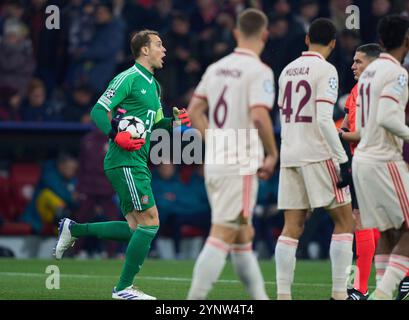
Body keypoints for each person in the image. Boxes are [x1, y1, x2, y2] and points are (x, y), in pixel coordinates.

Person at [53, 29, 191, 300]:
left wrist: (175, 122)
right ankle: (123, 288)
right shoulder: (127, 77)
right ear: (144, 50)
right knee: (151, 222)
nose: (164, 50)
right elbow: (97, 111)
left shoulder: (154, 85)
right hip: (124, 160)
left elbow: (155, 124)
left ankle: (73, 229)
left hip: (138, 161)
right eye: (159, 45)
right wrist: (117, 134)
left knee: (135, 228)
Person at [187, 8, 278, 300]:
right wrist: (272, 153)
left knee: (242, 237)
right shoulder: (260, 71)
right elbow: (260, 116)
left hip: (216, 161)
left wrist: (214, 139)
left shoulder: (216, 68)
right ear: (265, 35)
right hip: (240, 164)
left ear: (236, 33)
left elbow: (194, 112)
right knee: (223, 234)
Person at [275, 18, 354, 300]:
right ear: (333, 43)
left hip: (290, 153)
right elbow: (322, 118)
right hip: (318, 153)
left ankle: (283, 295)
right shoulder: (327, 70)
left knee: (291, 226)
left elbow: (284, 114)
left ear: (307, 39)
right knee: (345, 221)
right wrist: (342, 159)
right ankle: (338, 295)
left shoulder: (286, 71)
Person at [352, 15, 409, 300]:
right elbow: (387, 117)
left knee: (388, 232)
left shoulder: (370, 73)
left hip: (362, 159)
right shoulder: (397, 73)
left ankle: (380, 291)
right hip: (384, 159)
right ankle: (383, 294)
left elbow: (364, 126)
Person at [338, 43, 382, 300]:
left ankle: (360, 289)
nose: (353, 66)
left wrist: (338, 135)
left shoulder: (374, 90)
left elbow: (364, 132)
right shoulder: (356, 90)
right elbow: (345, 124)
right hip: (359, 160)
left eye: (359, 62)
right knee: (371, 222)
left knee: (361, 220)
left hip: (374, 160)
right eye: (353, 61)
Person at [21, 153, 78, 235]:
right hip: (39, 212)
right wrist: (71, 197)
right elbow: (62, 193)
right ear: (61, 166)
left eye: (75, 169)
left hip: (55, 216)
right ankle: (64, 213)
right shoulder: (49, 174)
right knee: (46, 194)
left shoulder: (71, 179)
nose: (73, 172)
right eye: (71, 168)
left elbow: (77, 196)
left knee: (61, 220)